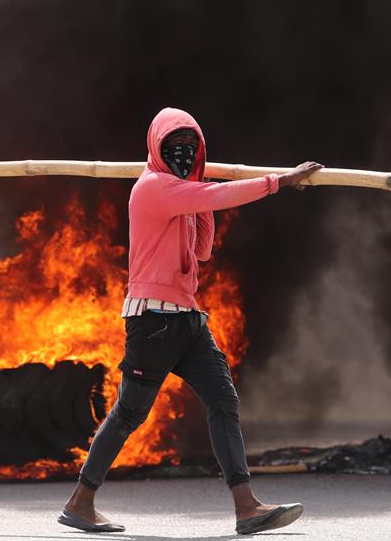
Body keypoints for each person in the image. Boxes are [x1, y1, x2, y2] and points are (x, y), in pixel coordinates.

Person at [57, 107, 323, 535]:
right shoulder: (153, 188)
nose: (182, 153)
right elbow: (218, 197)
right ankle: (80, 502)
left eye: (190, 147)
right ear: (157, 150)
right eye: (174, 147)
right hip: (153, 323)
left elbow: (201, 250)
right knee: (129, 413)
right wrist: (281, 181)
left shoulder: (182, 192)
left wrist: (197, 186)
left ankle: (246, 507)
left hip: (188, 324)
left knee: (223, 402)